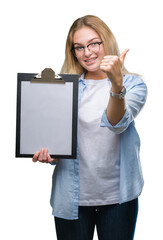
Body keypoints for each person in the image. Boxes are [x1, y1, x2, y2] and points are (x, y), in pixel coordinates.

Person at [32, 15, 147, 240]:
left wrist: (116, 84)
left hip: (118, 200)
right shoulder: (63, 87)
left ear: (107, 42)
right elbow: (57, 138)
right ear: (73, 51)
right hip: (71, 197)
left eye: (94, 43)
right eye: (79, 47)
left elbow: (117, 124)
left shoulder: (133, 85)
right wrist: (50, 153)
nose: (88, 52)